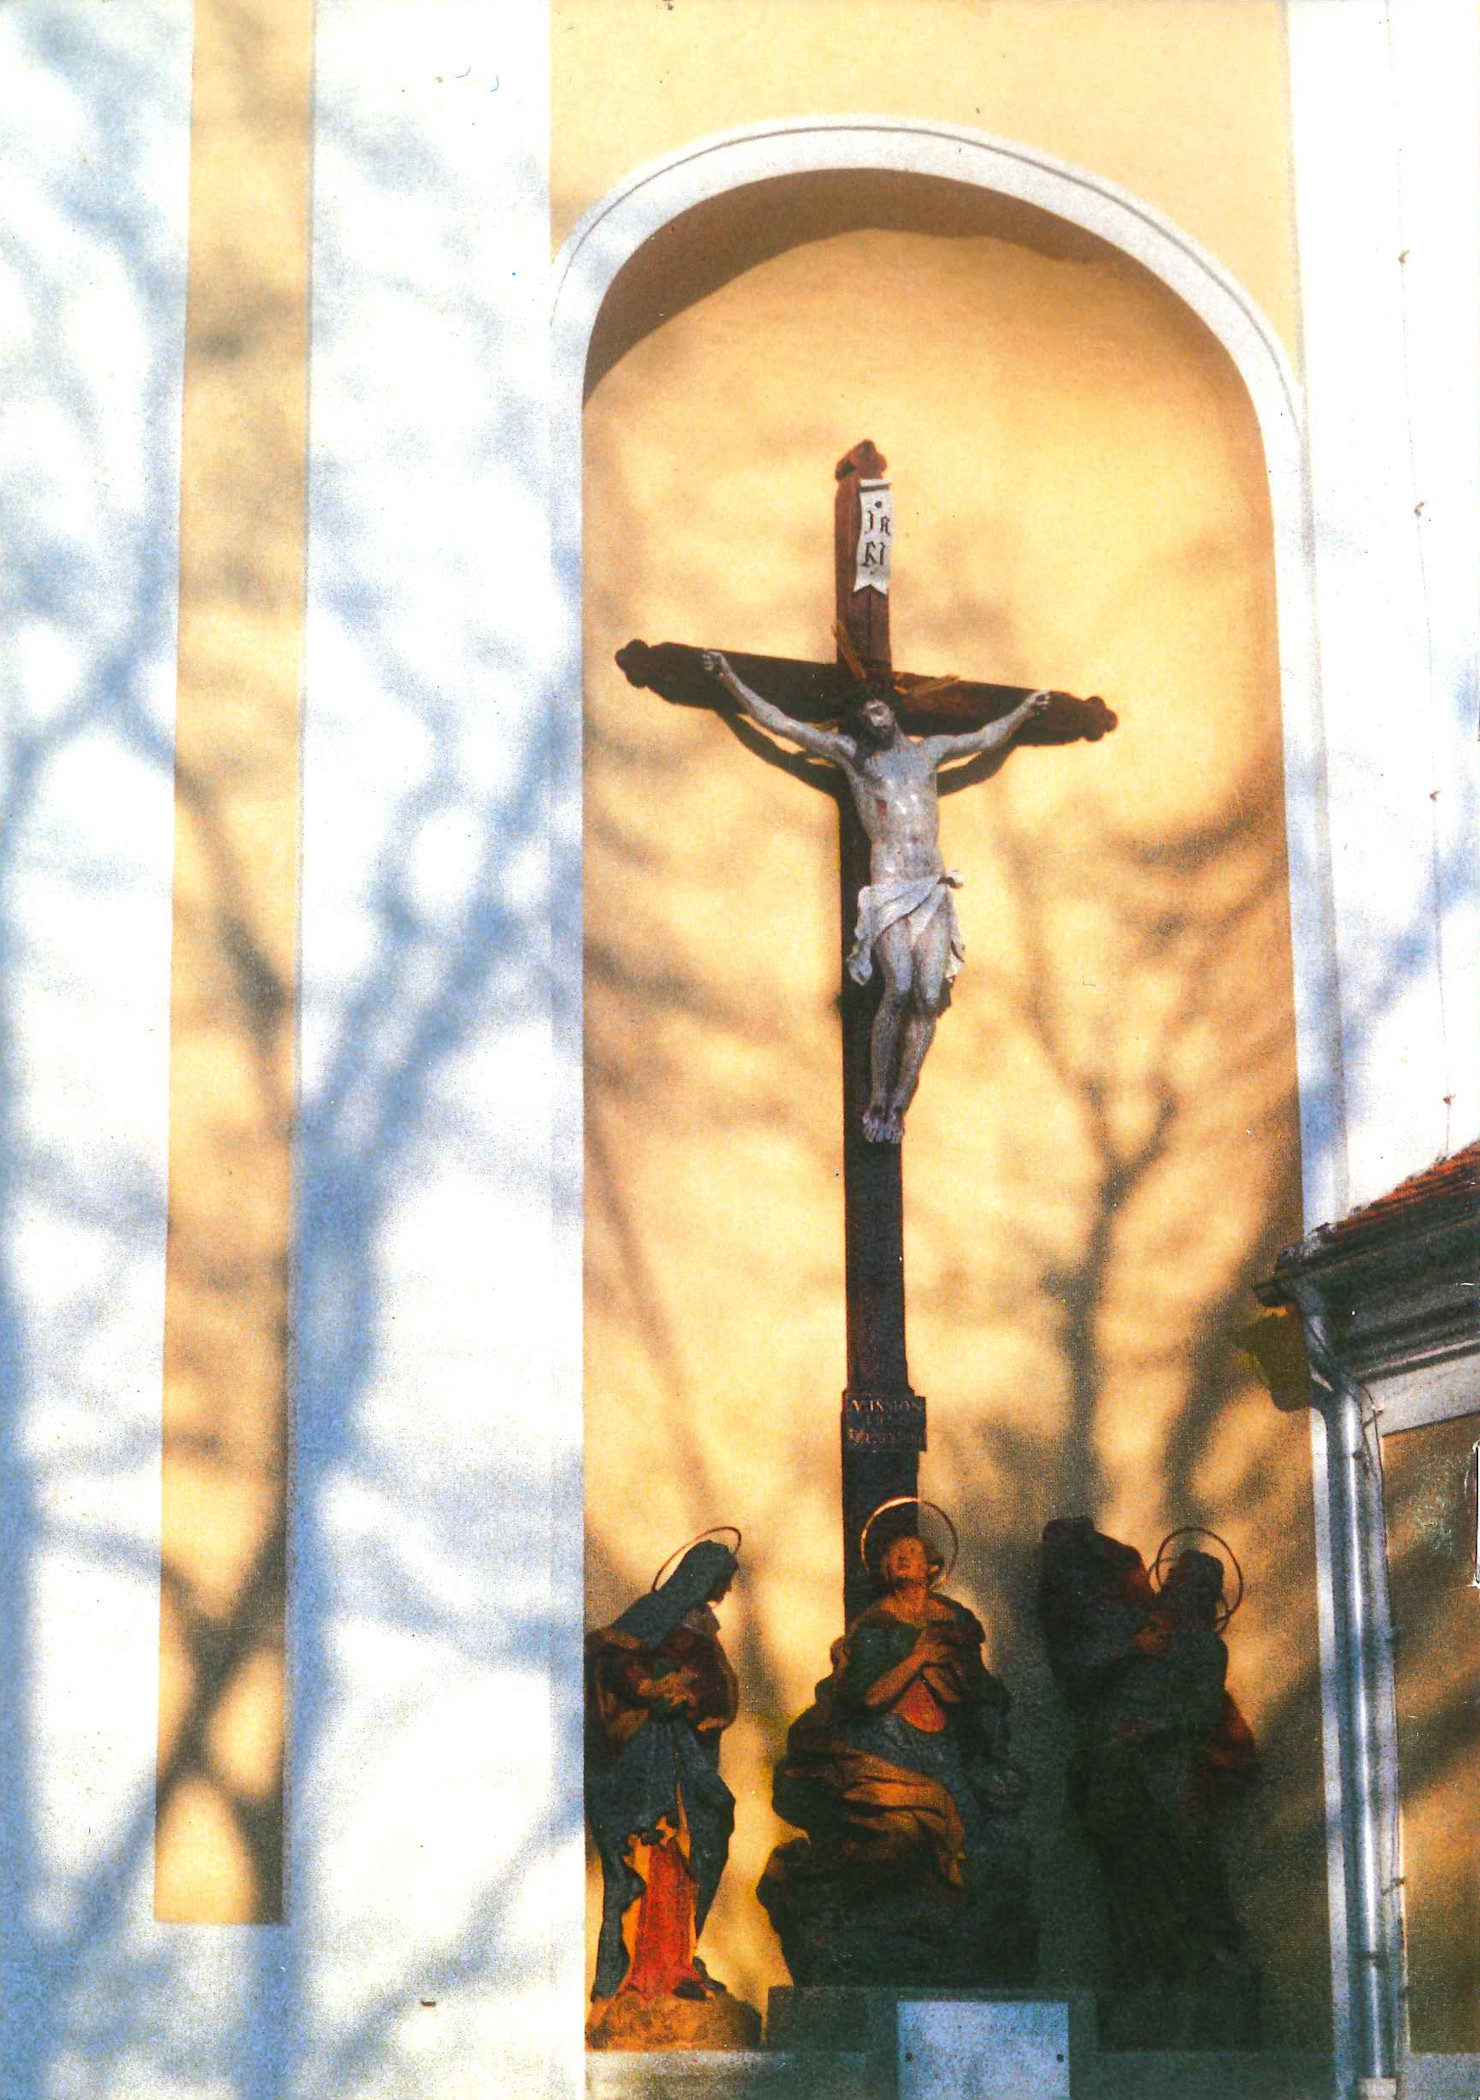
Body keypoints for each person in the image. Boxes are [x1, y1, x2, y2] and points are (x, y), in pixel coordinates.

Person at [703, 651, 1049, 1142]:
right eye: (864, 713)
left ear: (892, 708)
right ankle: (877, 1098)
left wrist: (1020, 714)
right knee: (900, 986)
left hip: (930, 886)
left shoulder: (930, 752)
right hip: (889, 888)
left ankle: (898, 1103)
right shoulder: (854, 757)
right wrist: (730, 682)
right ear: (859, 720)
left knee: (930, 997)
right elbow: (782, 725)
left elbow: (983, 739)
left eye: (879, 708)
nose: (874, 716)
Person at [760, 1531, 1036, 1987]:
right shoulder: (877, 1626)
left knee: (970, 1845)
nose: (902, 1557)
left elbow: (980, 1691)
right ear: (884, 1570)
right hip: (888, 1744)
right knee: (907, 1832)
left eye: (912, 1552)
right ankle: (858, 1921)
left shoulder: (957, 1620)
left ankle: (948, 1949)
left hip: (945, 1749)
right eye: (893, 1553)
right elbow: (869, 1696)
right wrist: (919, 1659)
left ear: (932, 1565)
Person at [584, 1538, 740, 2015]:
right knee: (652, 1853)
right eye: (719, 1581)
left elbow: (717, 1689)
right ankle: (637, 1975)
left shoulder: (705, 1628)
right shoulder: (652, 1611)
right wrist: (652, 1687)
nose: (722, 1592)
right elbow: (614, 1659)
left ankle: (679, 1962)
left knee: (702, 1846)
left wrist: (697, 1700)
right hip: (650, 1753)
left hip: (690, 1758)